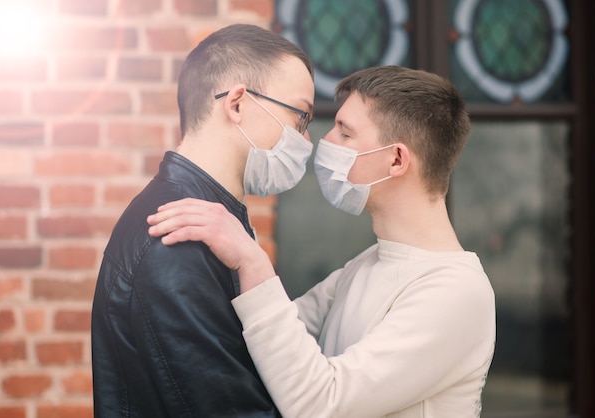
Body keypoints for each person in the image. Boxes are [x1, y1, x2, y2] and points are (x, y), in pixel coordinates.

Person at [147, 66, 496, 417]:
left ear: (396, 159)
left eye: (345, 134)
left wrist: (251, 260)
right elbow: (267, 344)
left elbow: (321, 404)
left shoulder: (456, 292)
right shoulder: (369, 264)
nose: (324, 142)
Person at [90, 23, 315, 417]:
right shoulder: (175, 239)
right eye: (301, 118)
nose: (306, 141)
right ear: (238, 104)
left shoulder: (213, 223)